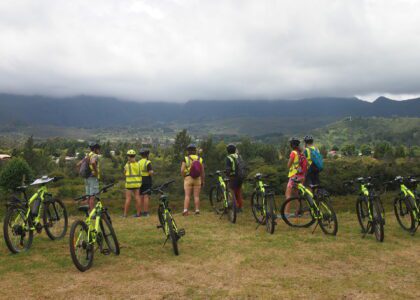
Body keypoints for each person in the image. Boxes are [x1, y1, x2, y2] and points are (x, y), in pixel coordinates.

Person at [181, 144, 205, 216]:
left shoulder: (185, 158)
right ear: (195, 151)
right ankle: (197, 210)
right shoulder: (200, 159)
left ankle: (185, 210)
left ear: (188, 151)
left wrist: (184, 176)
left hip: (188, 178)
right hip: (197, 179)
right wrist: (203, 180)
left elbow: (182, 170)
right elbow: (202, 172)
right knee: (196, 196)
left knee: (187, 195)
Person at [285, 137, 306, 202]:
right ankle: (299, 211)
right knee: (297, 195)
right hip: (302, 176)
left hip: (294, 176)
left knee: (288, 195)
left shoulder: (293, 153)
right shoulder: (301, 153)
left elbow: (288, 165)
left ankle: (286, 212)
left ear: (291, 145)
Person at [123, 150, 142, 218]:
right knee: (137, 198)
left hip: (129, 184)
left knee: (128, 199)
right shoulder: (139, 164)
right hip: (137, 184)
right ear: (135, 156)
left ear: (128, 157)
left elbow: (125, 173)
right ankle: (138, 214)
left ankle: (125, 215)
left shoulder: (127, 165)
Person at [225, 144, 244, 213]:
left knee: (231, 191)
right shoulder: (239, 156)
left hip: (233, 177)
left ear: (227, 151)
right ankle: (240, 207)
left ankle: (235, 208)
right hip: (241, 176)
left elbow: (228, 169)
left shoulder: (229, 157)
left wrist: (227, 175)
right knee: (238, 192)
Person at [86, 142, 101, 211]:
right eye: (98, 149)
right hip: (93, 178)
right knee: (93, 196)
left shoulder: (88, 155)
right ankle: (93, 213)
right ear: (95, 149)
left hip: (87, 177)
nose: (99, 151)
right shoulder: (95, 155)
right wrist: (96, 172)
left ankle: (89, 213)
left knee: (88, 196)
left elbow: (79, 164)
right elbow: (93, 162)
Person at [139, 148, 153, 217]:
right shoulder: (148, 162)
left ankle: (140, 212)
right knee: (146, 196)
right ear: (147, 155)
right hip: (147, 180)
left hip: (139, 180)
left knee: (141, 196)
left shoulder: (138, 162)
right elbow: (150, 172)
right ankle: (146, 212)